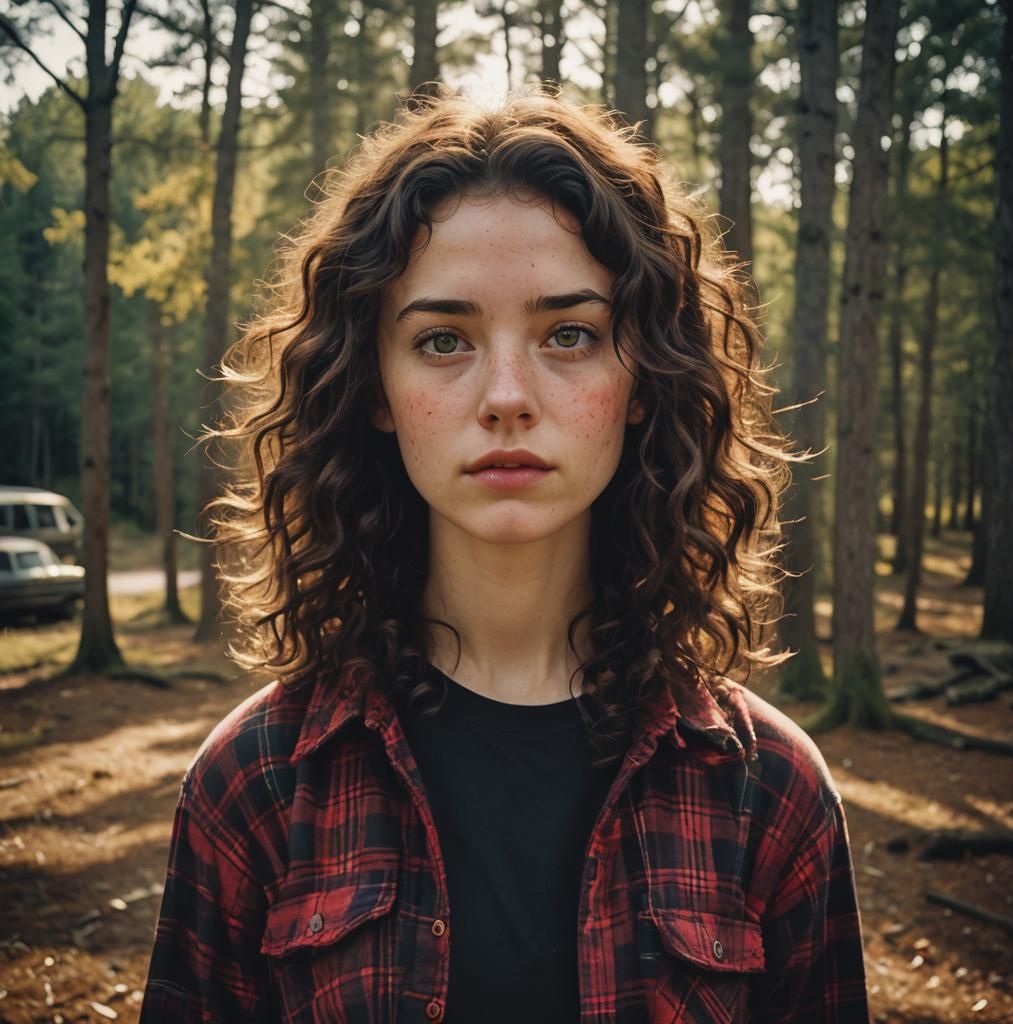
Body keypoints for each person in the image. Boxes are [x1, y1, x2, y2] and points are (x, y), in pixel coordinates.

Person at [141, 83, 871, 1023]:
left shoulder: (770, 791)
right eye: (444, 339)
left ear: (643, 378)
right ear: (375, 388)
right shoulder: (256, 782)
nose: (507, 397)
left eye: (569, 334)